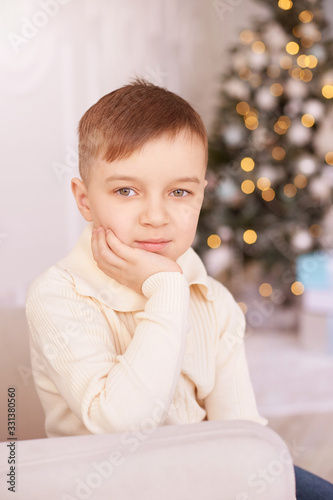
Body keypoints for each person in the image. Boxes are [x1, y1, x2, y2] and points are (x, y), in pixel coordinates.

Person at [25, 78, 333, 497]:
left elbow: (241, 437)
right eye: (126, 190)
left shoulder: (214, 302)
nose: (156, 215)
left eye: (179, 191)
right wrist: (166, 289)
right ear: (85, 200)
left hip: (202, 482)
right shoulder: (59, 295)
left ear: (201, 197)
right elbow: (121, 424)